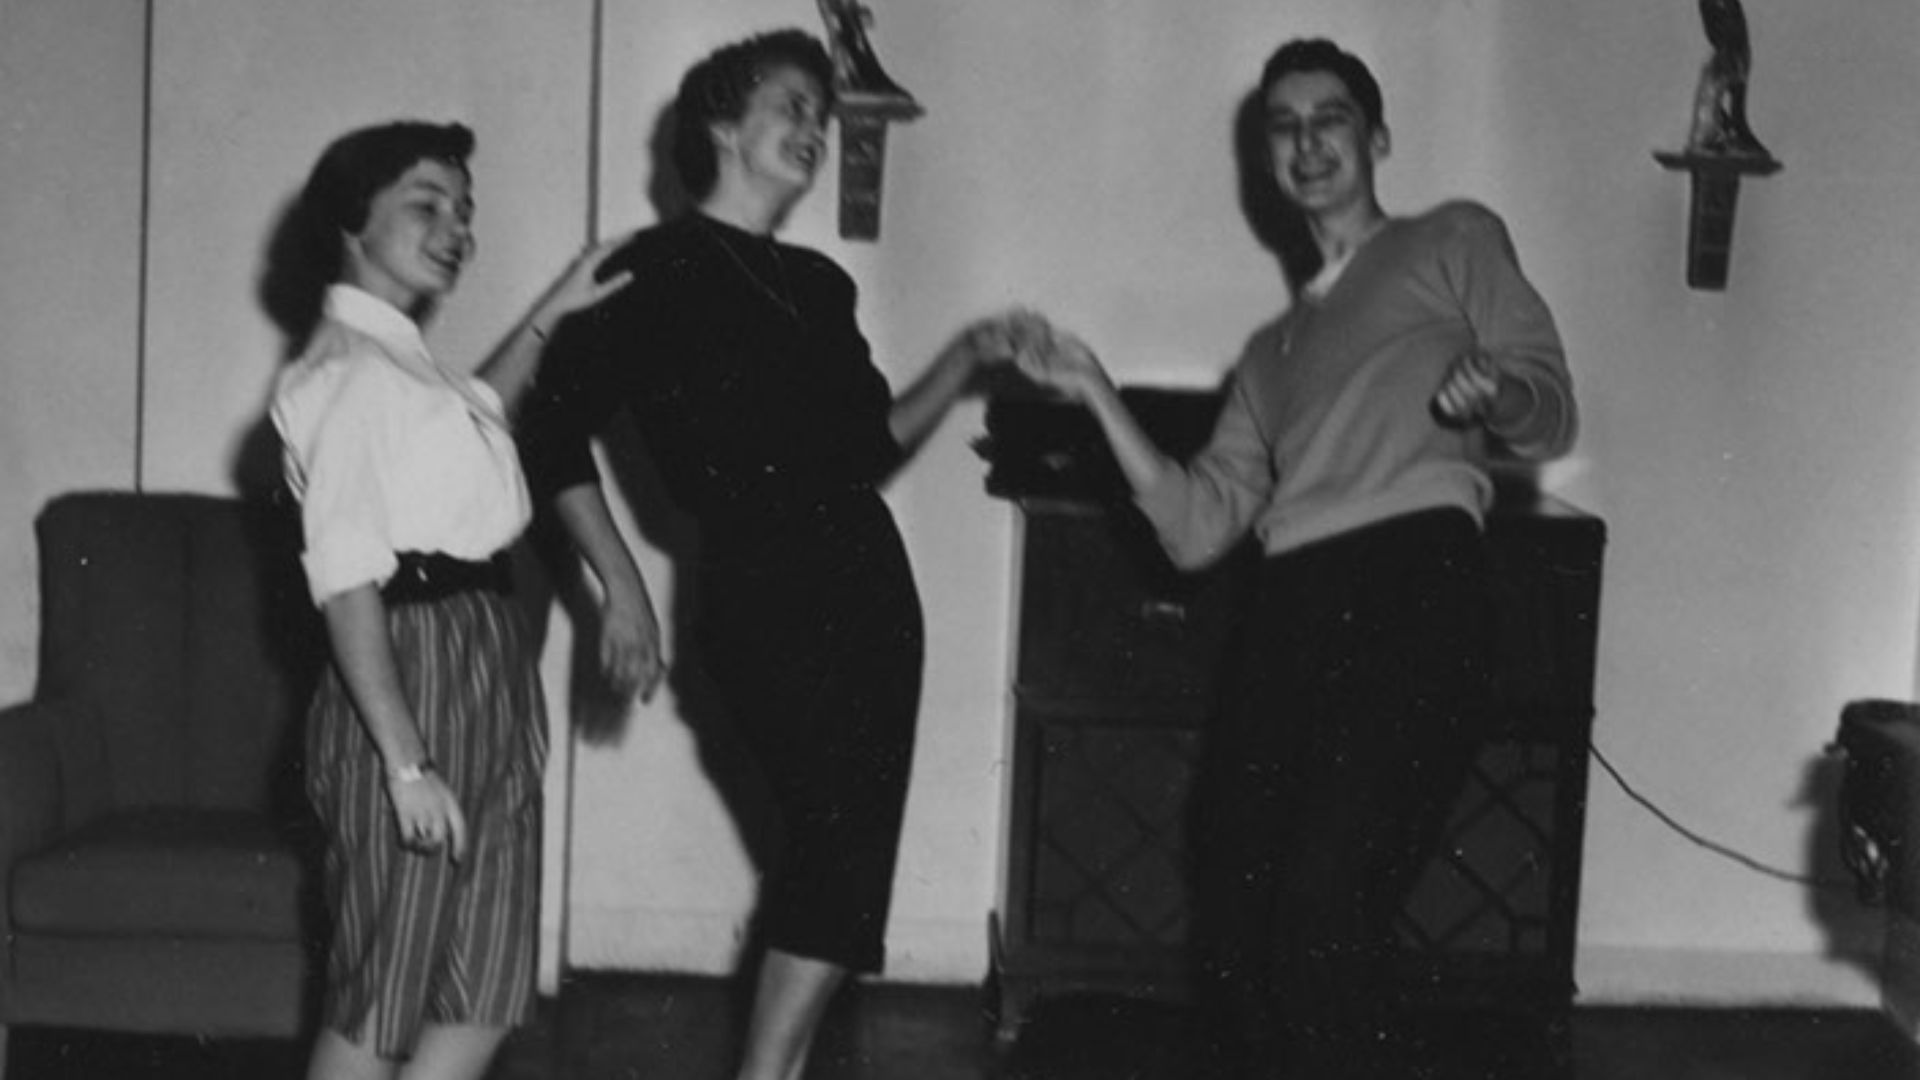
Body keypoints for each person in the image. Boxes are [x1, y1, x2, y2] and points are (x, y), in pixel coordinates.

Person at [1013, 38, 1577, 1080]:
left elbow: (1548, 406)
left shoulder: (1451, 239)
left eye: (1331, 120)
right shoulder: (1269, 356)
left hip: (1416, 581)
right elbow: (1194, 528)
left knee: (1322, 910)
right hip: (1293, 607)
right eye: (1284, 125)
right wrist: (1094, 388)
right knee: (1235, 912)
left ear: (1376, 140)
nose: (1307, 142)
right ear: (1265, 156)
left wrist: (1492, 394)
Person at [515, 27, 1020, 1080]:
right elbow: (548, 434)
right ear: (720, 125)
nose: (814, 129)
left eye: (820, 116)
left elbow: (869, 444)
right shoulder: (645, 271)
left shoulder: (821, 285)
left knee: (847, 856)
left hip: (871, 585)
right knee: (834, 846)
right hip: (757, 587)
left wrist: (967, 356)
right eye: (792, 106)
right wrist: (622, 592)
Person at [269, 119, 630, 1080]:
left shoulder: (403, 367)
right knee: (383, 996)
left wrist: (557, 303)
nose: (456, 228)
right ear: (353, 222)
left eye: (464, 210)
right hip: (406, 677)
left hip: (485, 658)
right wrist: (403, 765)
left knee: (486, 989)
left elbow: (477, 417)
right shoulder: (345, 373)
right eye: (425, 205)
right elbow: (346, 581)